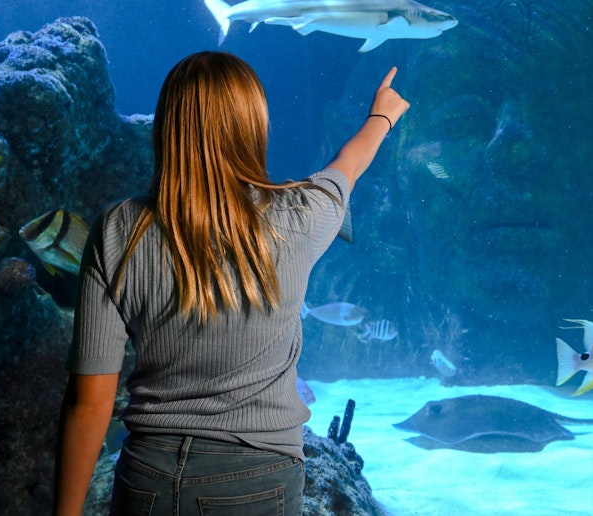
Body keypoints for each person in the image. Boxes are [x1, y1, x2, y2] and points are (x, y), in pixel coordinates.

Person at [52, 52, 409, 515]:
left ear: (166, 128)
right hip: (258, 481)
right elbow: (349, 164)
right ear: (254, 126)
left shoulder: (119, 228)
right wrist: (381, 116)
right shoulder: (298, 216)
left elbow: (89, 401)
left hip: (148, 478)